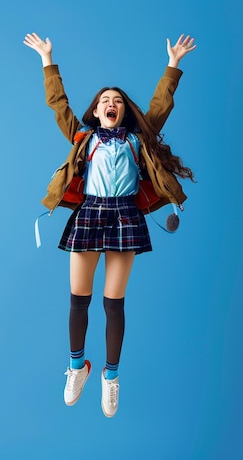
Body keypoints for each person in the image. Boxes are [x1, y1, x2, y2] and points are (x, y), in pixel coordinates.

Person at [23, 32, 196, 418]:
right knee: (78, 300)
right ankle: (76, 367)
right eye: (105, 101)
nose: (111, 104)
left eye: (117, 101)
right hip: (89, 215)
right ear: (97, 111)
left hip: (125, 218)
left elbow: (159, 106)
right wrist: (47, 60)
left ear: (124, 110)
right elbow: (59, 105)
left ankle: (111, 377)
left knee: (113, 304)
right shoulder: (84, 138)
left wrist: (173, 65)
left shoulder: (138, 140)